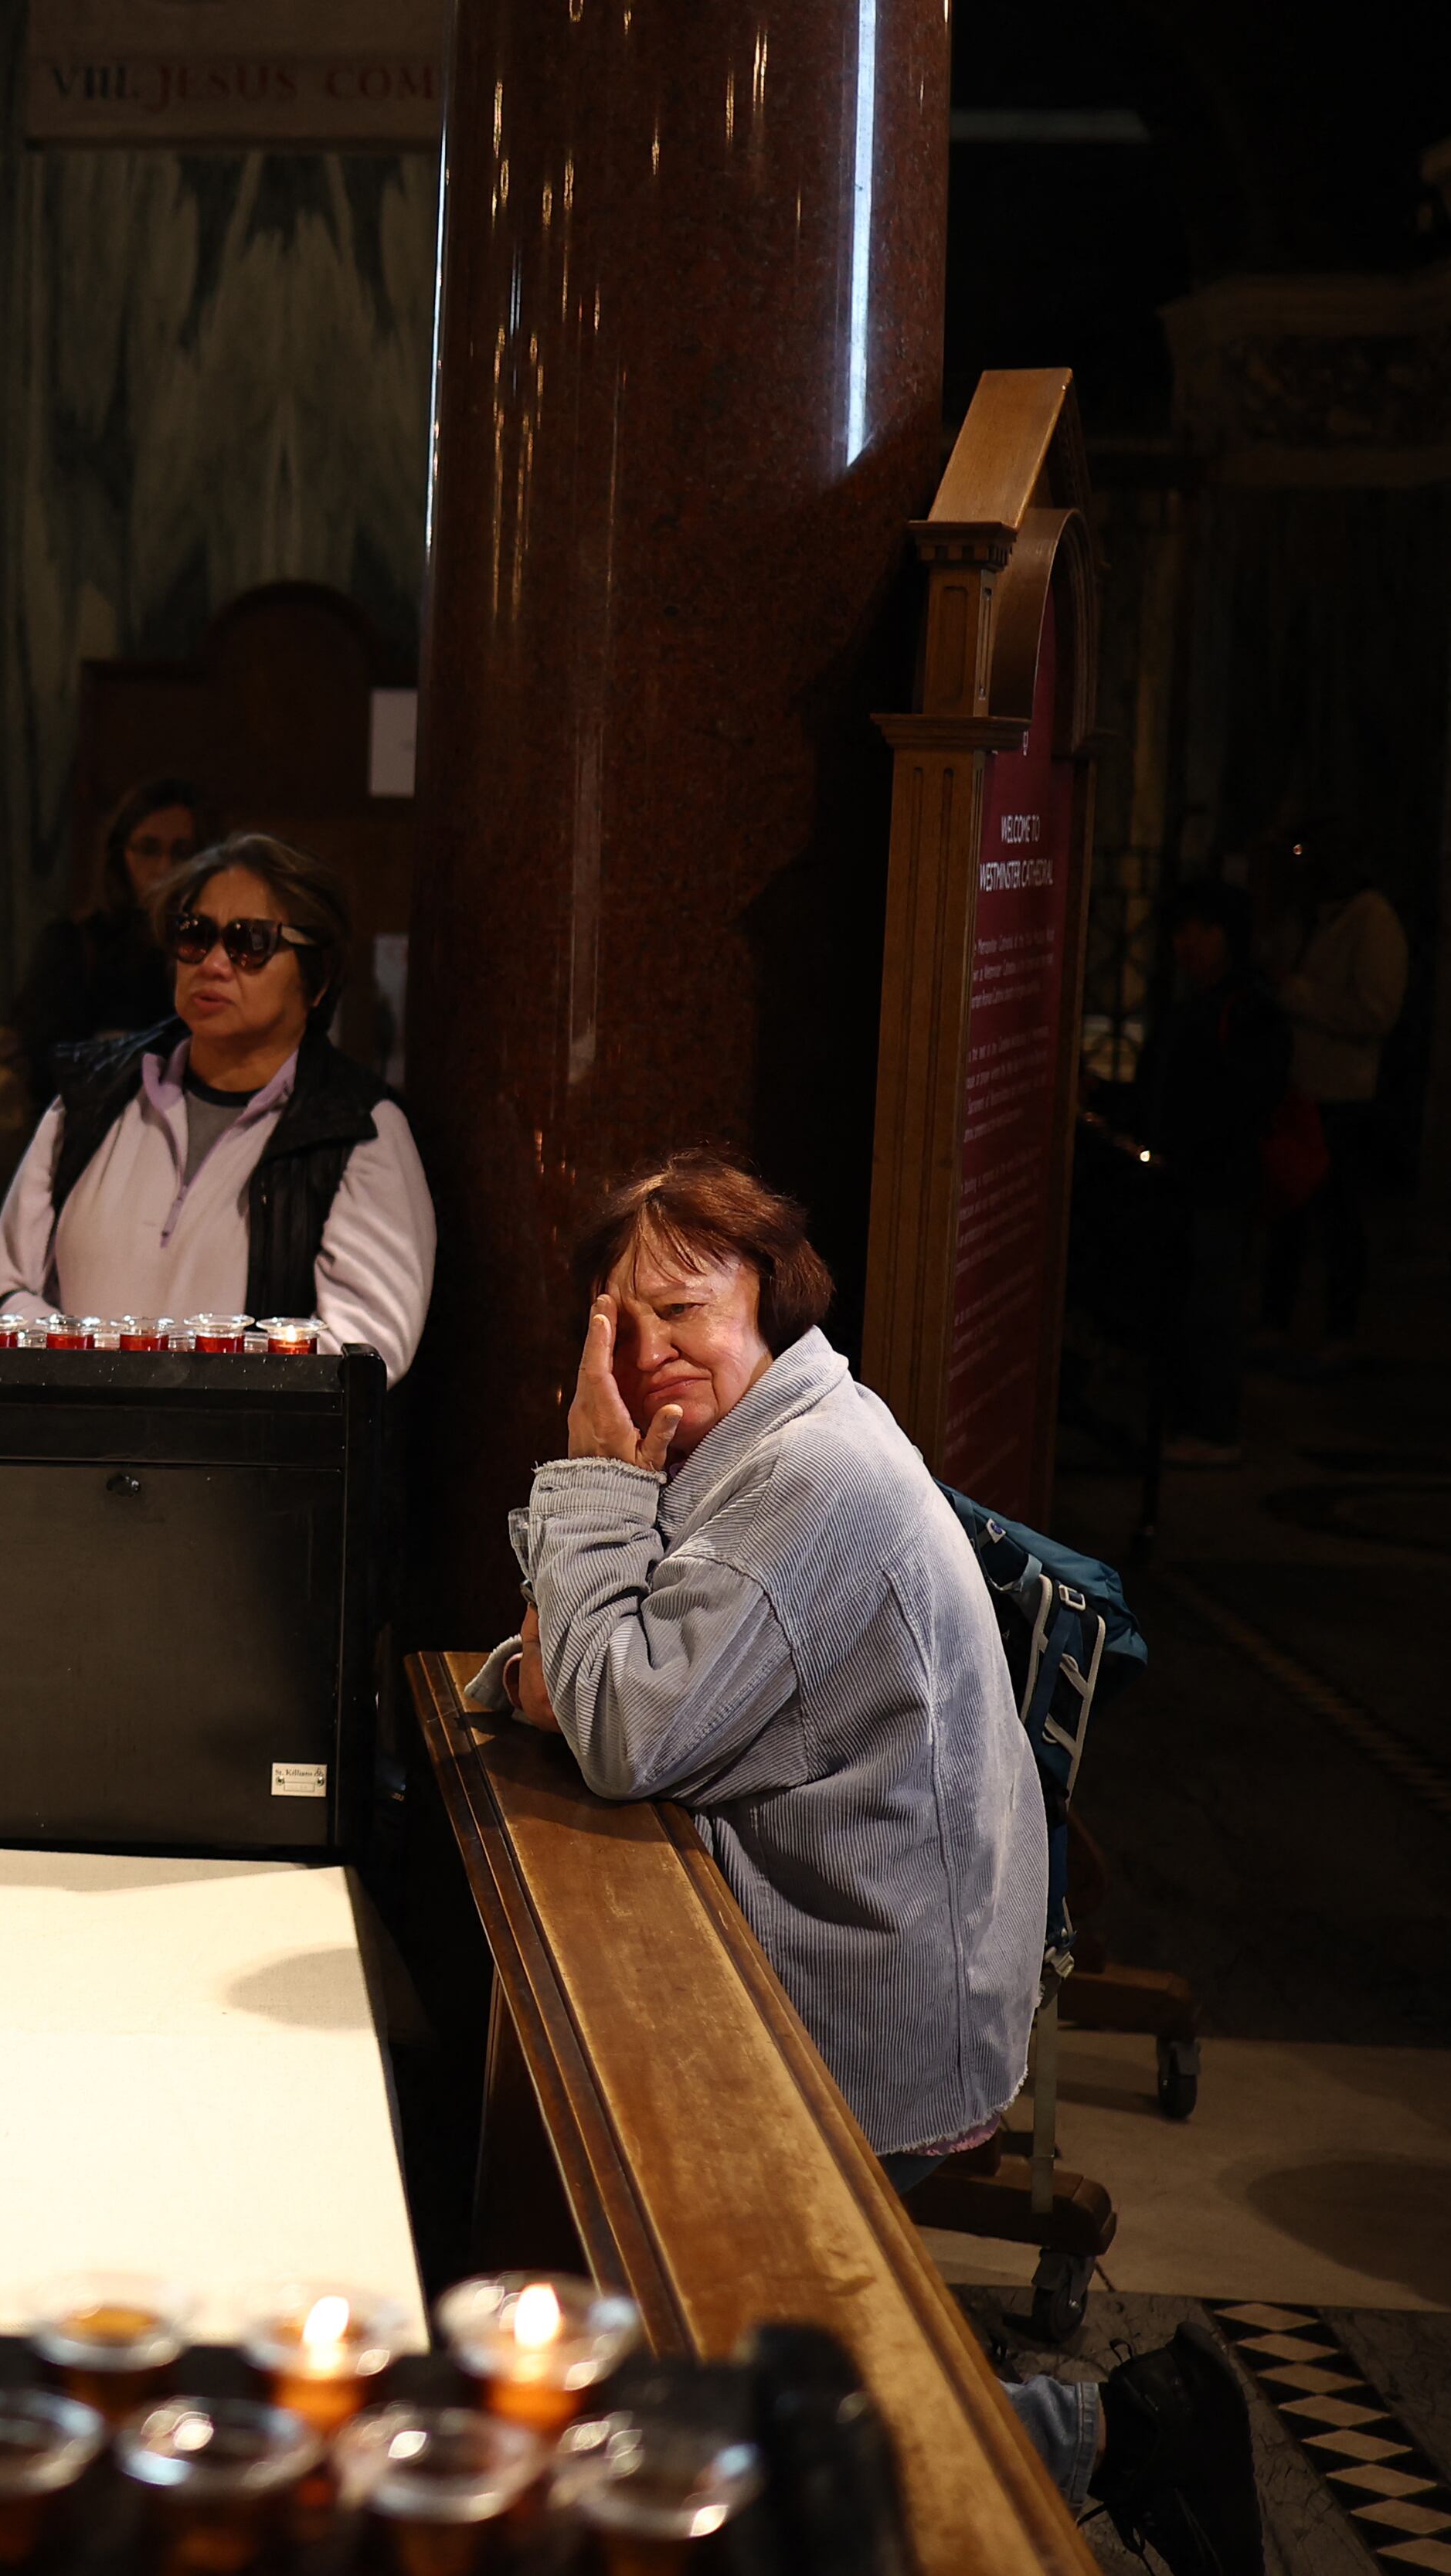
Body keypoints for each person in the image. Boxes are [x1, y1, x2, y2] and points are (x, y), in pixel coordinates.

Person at [482, 1153, 1257, 2571]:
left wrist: (589, 1482)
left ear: (769, 1300)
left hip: (871, 2005)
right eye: (618, 1322)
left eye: (684, 1309)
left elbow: (620, 1721)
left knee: (716, 2406)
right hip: (810, 1943)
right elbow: (579, 1666)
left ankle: (1114, 2432)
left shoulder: (812, 1471)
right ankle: (1108, 2430)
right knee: (710, 2369)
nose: (650, 1351)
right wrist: (580, 1659)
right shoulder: (745, 1441)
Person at [0, 833, 434, 1378]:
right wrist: (104, 1376)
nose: (214, 963)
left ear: (318, 979)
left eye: (251, 942)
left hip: (244, 1436)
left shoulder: (359, 1128)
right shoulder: (92, 1095)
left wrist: (181, 1387)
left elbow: (365, 1349)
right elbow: (4, 1292)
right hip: (83, 1425)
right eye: (195, 936)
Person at [1132, 880, 1288, 1466]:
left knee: (1211, 1302)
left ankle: (1214, 1427)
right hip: (1191, 1177)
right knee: (1192, 1297)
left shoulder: (1244, 1007)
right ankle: (1192, 1418)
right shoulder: (1198, 1003)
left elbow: (1247, 1095)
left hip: (1219, 1179)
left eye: (1202, 931)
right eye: (1181, 932)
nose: (1188, 944)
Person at [1257, 828, 1409, 1360]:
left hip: (1342, 1094)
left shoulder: (1371, 921)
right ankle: (1276, 1322)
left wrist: (1296, 993)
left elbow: (1375, 1012)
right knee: (1288, 1213)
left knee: (1339, 1216)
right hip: (1299, 1089)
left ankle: (1339, 1332)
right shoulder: (1307, 918)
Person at [6, 777, 203, 1106]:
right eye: (149, 849)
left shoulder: (206, 949)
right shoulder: (74, 943)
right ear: (120, 854)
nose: (165, 867)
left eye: (181, 852)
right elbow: (45, 1065)